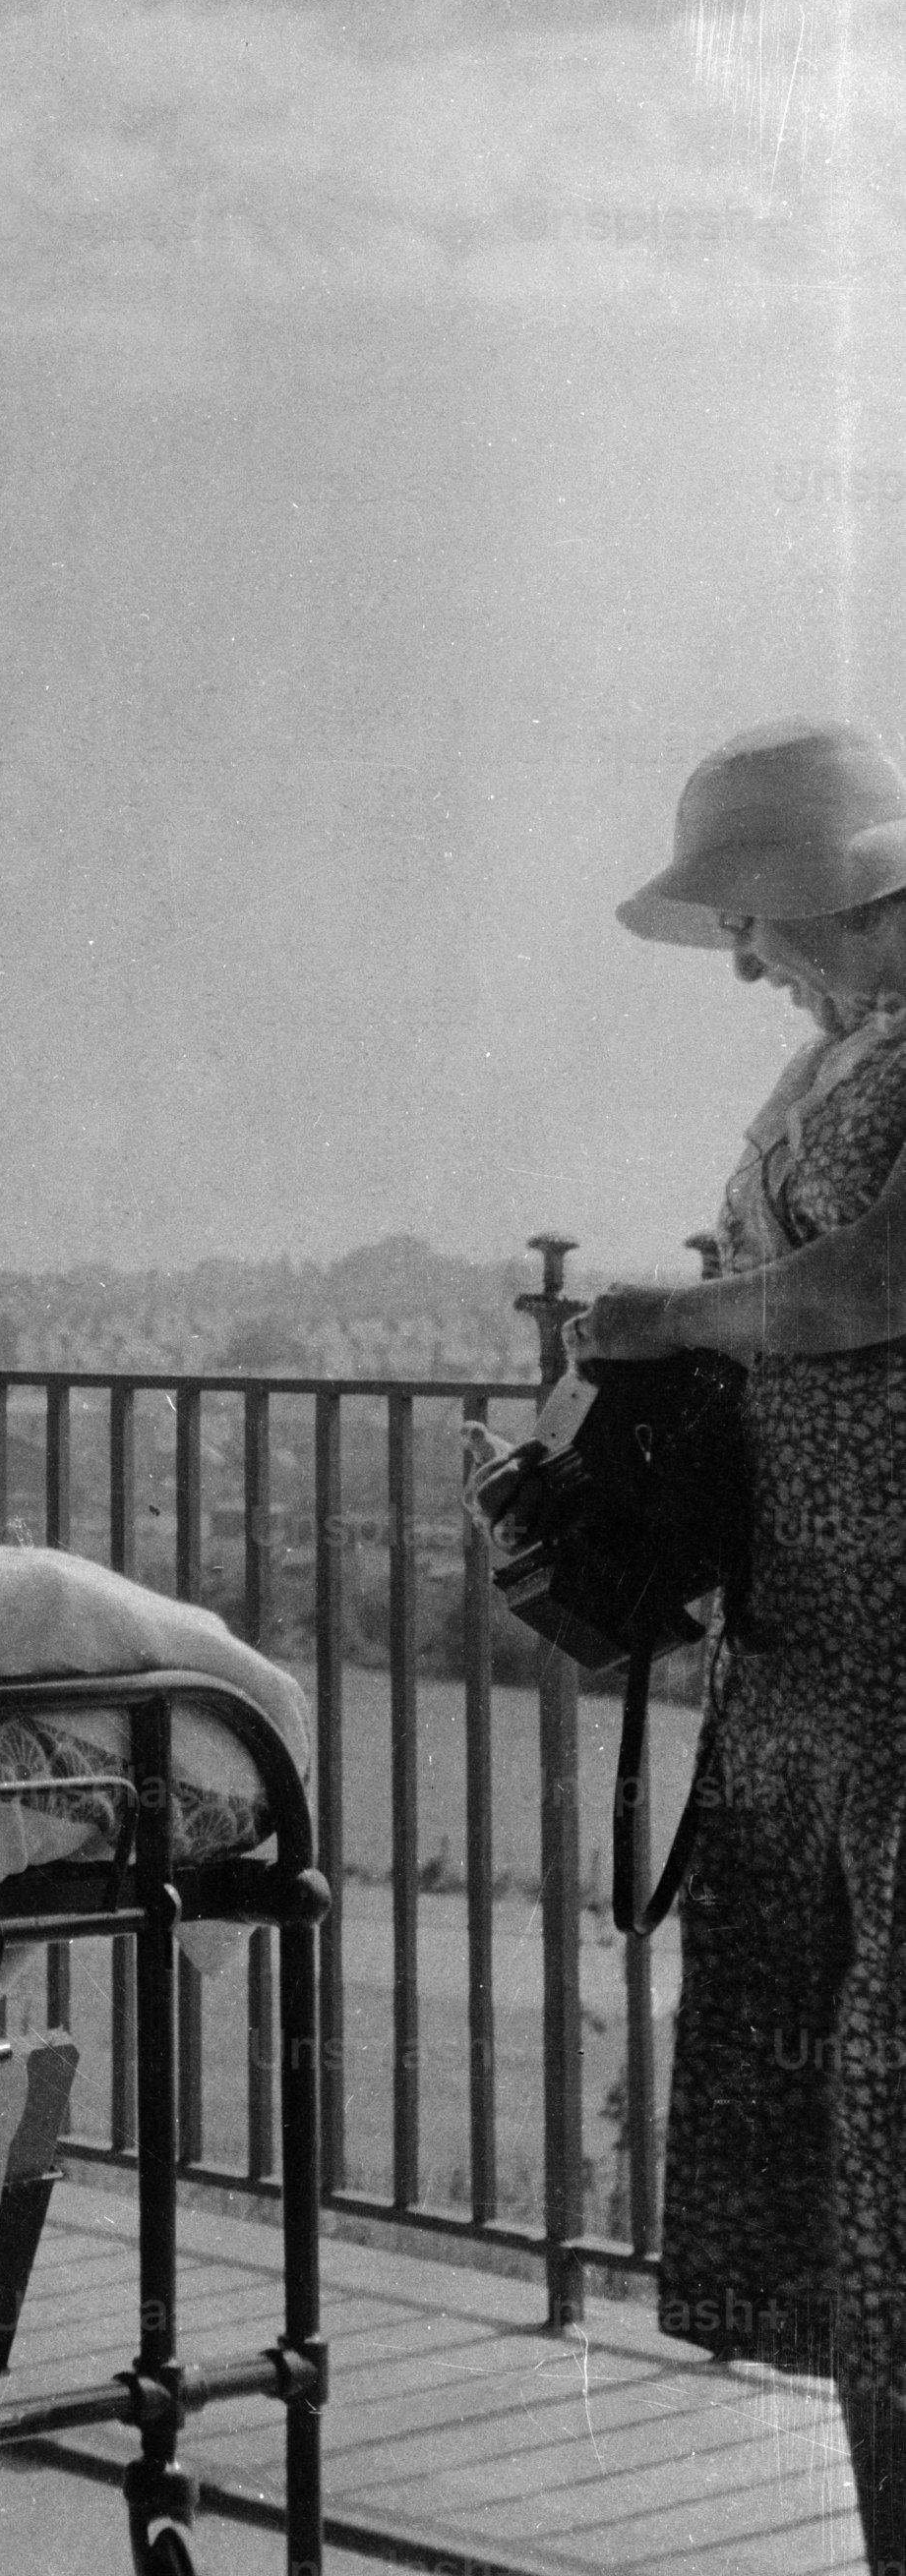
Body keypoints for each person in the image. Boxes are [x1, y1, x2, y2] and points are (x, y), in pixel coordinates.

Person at [570, 719, 906, 2560]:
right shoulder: (828, 1060)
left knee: (895, 2127)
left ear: (808, 885)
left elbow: (874, 1281)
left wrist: (680, 1308)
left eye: (744, 922)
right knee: (839, 2160)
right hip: (809, 1660)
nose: (738, 962)